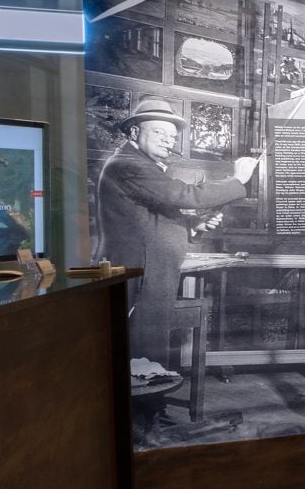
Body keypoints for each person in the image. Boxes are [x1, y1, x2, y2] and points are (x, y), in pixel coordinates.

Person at [96, 95, 259, 368]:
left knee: (147, 344)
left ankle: (150, 408)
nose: (167, 140)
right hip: (141, 273)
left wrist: (193, 225)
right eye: (158, 132)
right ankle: (142, 408)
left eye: (171, 136)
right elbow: (184, 196)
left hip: (150, 269)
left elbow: (150, 215)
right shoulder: (126, 165)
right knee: (141, 345)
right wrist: (237, 179)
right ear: (134, 132)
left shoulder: (141, 164)